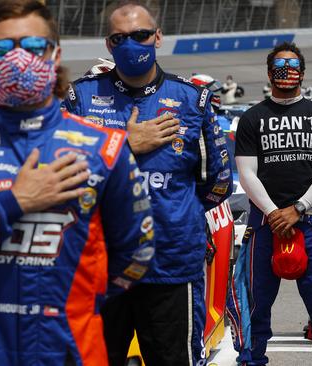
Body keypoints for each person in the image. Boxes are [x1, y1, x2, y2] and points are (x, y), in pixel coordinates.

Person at [0, 1, 155, 364]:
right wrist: (14, 203)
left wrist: (78, 302)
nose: (18, 58)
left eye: (33, 47)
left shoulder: (105, 148)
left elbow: (137, 252)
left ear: (54, 55)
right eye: (3, 49)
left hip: (70, 348)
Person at [62, 1, 231, 364]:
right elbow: (59, 180)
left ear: (157, 37)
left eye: (140, 35)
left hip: (170, 266)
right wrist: (124, 144)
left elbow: (218, 183)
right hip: (101, 268)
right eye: (120, 37)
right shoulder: (81, 98)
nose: (131, 44)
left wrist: (175, 213)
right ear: (109, 45)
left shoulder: (192, 99)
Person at [226, 42, 312, 366]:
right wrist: (273, 213)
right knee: (253, 306)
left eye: (292, 68)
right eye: (279, 68)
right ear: (269, 74)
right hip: (264, 224)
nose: (286, 74)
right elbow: (246, 173)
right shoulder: (252, 118)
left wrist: (298, 208)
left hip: (311, 223)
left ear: (303, 73)